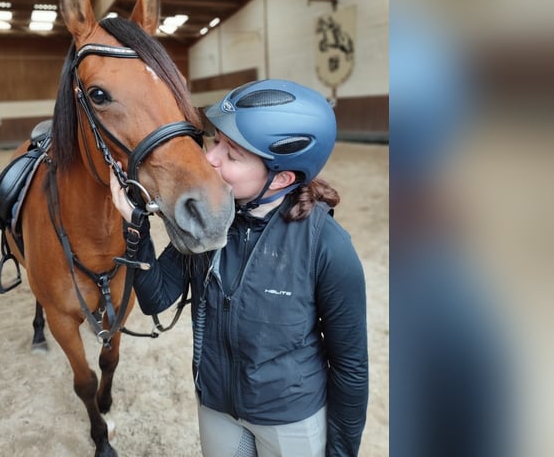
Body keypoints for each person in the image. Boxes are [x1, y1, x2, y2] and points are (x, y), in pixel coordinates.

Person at [110, 79, 369, 457]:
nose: (211, 158)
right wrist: (136, 229)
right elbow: (155, 297)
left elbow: (350, 367)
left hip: (290, 420)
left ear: (281, 178)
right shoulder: (209, 221)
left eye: (232, 155)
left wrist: (342, 452)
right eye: (216, 142)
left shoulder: (328, 247)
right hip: (216, 407)